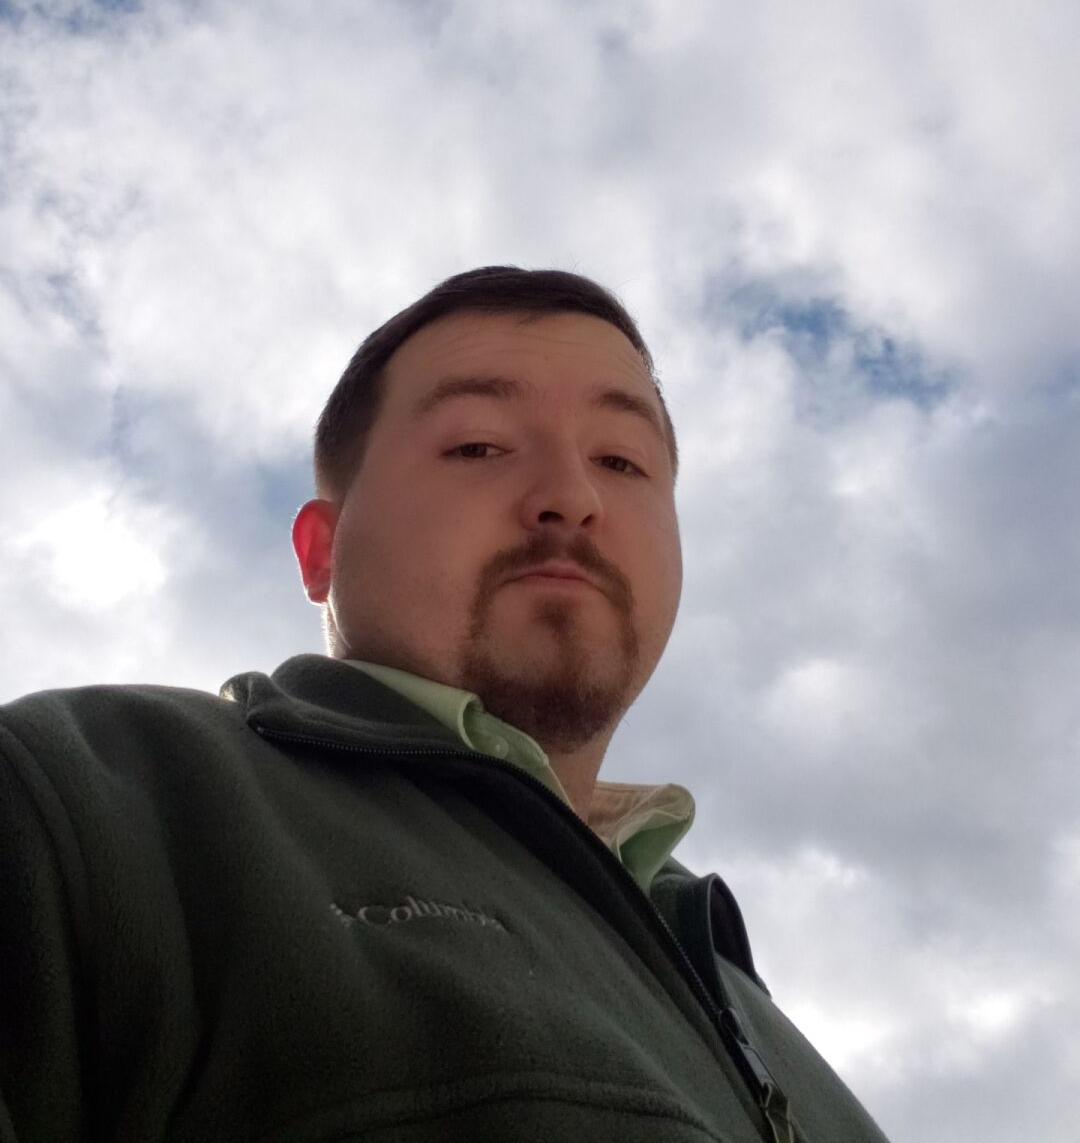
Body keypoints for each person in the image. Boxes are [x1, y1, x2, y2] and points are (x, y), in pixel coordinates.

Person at [0, 265, 890, 1142]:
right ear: (321, 551)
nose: (572, 498)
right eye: (478, 447)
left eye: (622, 461)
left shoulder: (738, 988)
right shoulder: (85, 800)